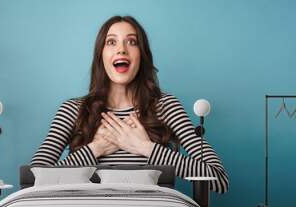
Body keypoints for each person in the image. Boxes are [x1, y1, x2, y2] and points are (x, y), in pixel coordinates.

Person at [30, 15, 228, 194]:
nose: (121, 49)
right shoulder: (73, 110)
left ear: (141, 55)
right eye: (111, 42)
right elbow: (33, 181)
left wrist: (145, 148)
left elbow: (218, 179)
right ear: (101, 55)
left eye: (132, 42)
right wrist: (95, 149)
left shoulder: (166, 106)